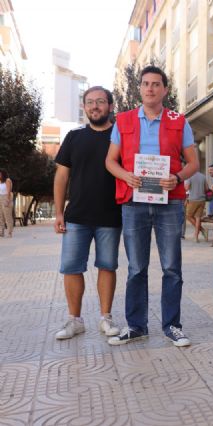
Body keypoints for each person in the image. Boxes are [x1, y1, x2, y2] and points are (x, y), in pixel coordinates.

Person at [105, 65, 199, 347]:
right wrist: (126, 176)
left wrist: (178, 177)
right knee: (136, 267)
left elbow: (193, 162)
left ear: (165, 90)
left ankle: (172, 325)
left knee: (171, 267)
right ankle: (136, 326)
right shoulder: (123, 121)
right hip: (133, 202)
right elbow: (110, 161)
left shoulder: (179, 121)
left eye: (156, 84)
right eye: (145, 84)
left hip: (169, 202)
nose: (150, 88)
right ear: (140, 88)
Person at [52, 86, 122, 340]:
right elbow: (61, 176)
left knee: (107, 266)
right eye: (90, 102)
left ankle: (106, 318)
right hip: (77, 216)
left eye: (100, 102)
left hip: (111, 216)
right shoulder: (74, 136)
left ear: (110, 106)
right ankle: (75, 320)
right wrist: (59, 212)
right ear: (84, 107)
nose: (95, 106)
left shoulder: (120, 135)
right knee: (71, 268)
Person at [184, 170, 207, 242]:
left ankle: (202, 230)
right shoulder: (203, 176)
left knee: (188, 216)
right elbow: (206, 188)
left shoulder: (189, 176)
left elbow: (186, 188)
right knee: (198, 218)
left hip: (193, 199)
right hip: (202, 200)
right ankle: (196, 237)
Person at [0, 169, 13, 238]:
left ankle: (9, 232)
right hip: (0, 198)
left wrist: (7, 200)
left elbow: (8, 192)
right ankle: (1, 232)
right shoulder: (0, 182)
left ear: (3, 174)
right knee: (1, 217)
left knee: (7, 216)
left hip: (6, 198)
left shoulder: (8, 180)